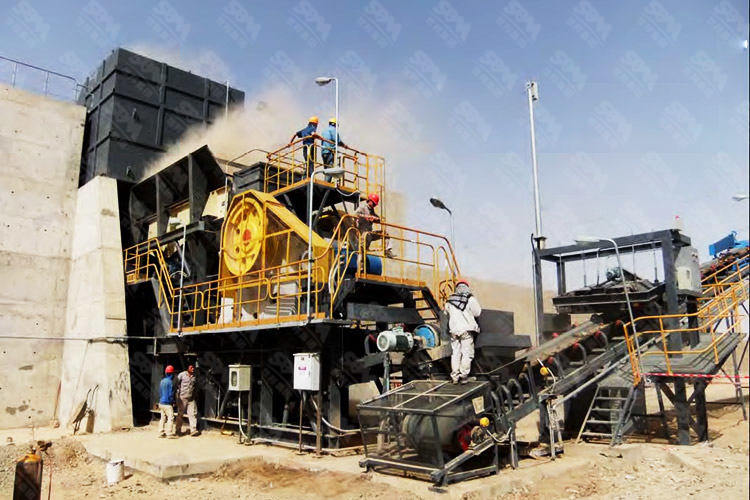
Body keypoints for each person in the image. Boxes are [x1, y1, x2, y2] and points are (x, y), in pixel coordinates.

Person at [444, 280, 482, 384]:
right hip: (466, 330)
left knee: (455, 354)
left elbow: (446, 312)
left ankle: (455, 377)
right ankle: (463, 376)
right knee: (467, 353)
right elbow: (477, 313)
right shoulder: (470, 299)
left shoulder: (450, 300)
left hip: (453, 331)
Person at [175, 365, 199, 436]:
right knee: (180, 414)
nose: (193, 369)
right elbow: (176, 383)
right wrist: (177, 394)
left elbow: (196, 386)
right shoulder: (181, 375)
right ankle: (178, 430)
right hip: (182, 398)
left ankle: (193, 430)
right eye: (191, 367)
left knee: (193, 414)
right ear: (187, 368)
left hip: (191, 398)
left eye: (193, 367)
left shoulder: (195, 376)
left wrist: (194, 395)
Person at [158, 365, 176, 438]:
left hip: (161, 403)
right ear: (172, 374)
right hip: (167, 404)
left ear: (166, 373)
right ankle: (169, 433)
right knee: (171, 418)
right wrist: (173, 402)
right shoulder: (170, 382)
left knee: (162, 418)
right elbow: (171, 394)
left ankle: (161, 432)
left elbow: (160, 392)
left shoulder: (162, 381)